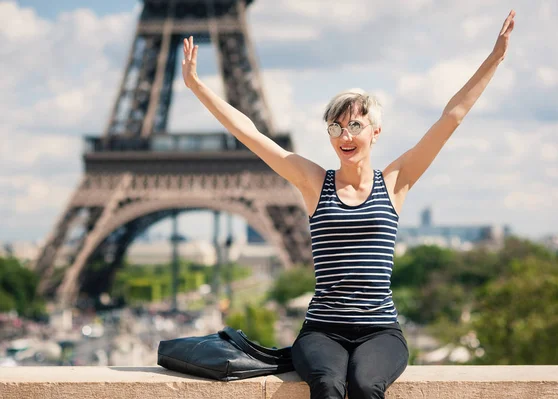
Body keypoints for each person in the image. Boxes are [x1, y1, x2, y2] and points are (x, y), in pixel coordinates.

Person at [181, 9, 515, 399]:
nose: (345, 134)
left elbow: (450, 117)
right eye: (336, 127)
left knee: (365, 384)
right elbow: (252, 135)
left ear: (375, 132)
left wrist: (495, 58)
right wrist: (197, 86)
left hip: (381, 330)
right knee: (327, 384)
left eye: (355, 125)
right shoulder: (313, 182)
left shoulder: (394, 182)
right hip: (323, 329)